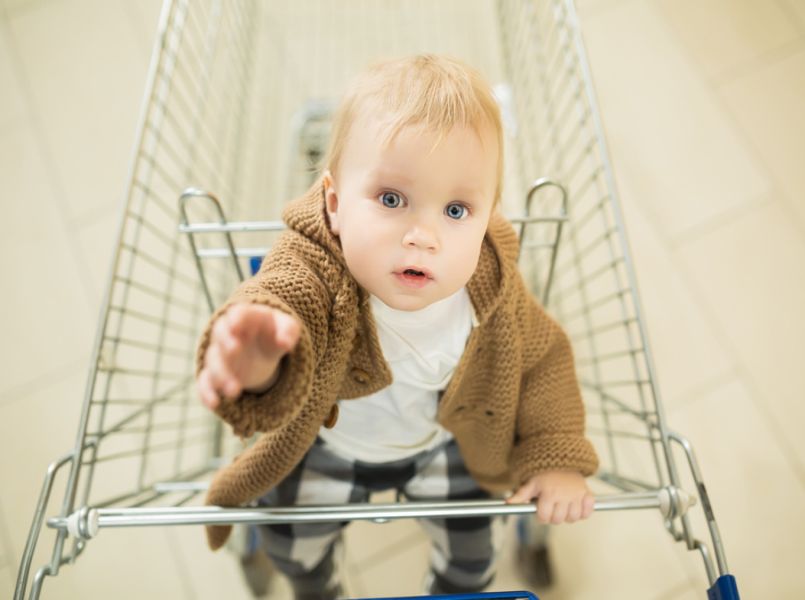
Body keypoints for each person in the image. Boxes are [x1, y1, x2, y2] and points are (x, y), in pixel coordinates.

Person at [195, 54, 598, 599]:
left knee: (476, 559)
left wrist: (554, 453)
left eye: (457, 210)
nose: (423, 236)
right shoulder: (315, 266)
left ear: (488, 219)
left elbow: (543, 359)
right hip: (325, 443)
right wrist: (259, 353)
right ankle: (319, 589)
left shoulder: (490, 288)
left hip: (446, 440)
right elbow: (282, 297)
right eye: (391, 200)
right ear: (334, 205)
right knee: (291, 544)